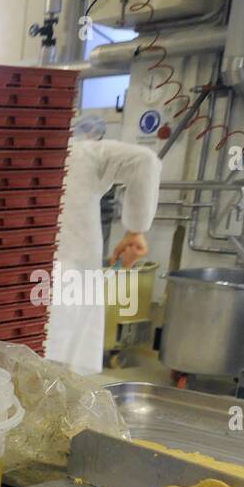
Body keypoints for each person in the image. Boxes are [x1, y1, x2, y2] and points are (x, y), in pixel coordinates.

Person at [46, 115, 162, 375]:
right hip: (71, 270)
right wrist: (136, 230)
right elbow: (145, 161)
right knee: (64, 361)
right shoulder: (84, 153)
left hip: (14, 273)